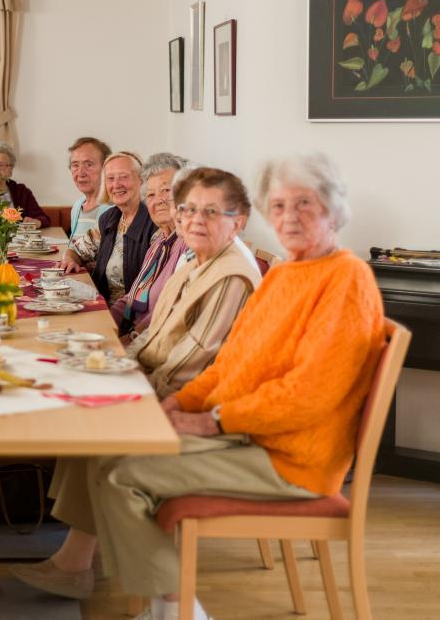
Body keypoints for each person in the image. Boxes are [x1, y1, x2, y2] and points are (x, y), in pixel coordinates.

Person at [49, 153, 384, 620]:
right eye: (280, 205)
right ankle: (152, 597)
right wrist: (181, 406)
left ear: (333, 211)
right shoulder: (288, 273)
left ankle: (176, 609)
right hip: (255, 436)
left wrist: (212, 421)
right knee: (107, 452)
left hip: (290, 458)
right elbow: (233, 366)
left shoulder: (345, 280)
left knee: (122, 473)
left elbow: (306, 396)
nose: (289, 217)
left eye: (304, 204)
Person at [12, 166, 261, 602]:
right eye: (187, 210)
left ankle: (150, 593)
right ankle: (75, 558)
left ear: (238, 221)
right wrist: (114, 362)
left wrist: (125, 380)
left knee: (98, 428)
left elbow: (190, 364)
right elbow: (155, 333)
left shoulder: (231, 273)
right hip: (164, 387)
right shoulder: (197, 258)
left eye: (210, 212)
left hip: (192, 409)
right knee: (85, 412)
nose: (194, 220)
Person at [60, 151, 157, 303]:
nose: (116, 185)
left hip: (132, 315)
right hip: (103, 306)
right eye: (110, 179)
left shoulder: (154, 223)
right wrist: (71, 260)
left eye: (123, 177)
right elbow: (76, 251)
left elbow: (152, 289)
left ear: (141, 180)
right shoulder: (110, 218)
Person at [109, 153, 189, 334]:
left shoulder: (189, 246)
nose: (159, 200)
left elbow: (170, 317)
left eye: (166, 190)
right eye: (151, 194)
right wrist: (103, 324)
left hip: (150, 345)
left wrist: (128, 341)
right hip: (133, 335)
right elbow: (132, 296)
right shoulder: (159, 244)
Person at [67, 137, 114, 239]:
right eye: (75, 165)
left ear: (106, 168)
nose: (80, 173)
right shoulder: (77, 207)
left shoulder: (113, 210)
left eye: (89, 164)